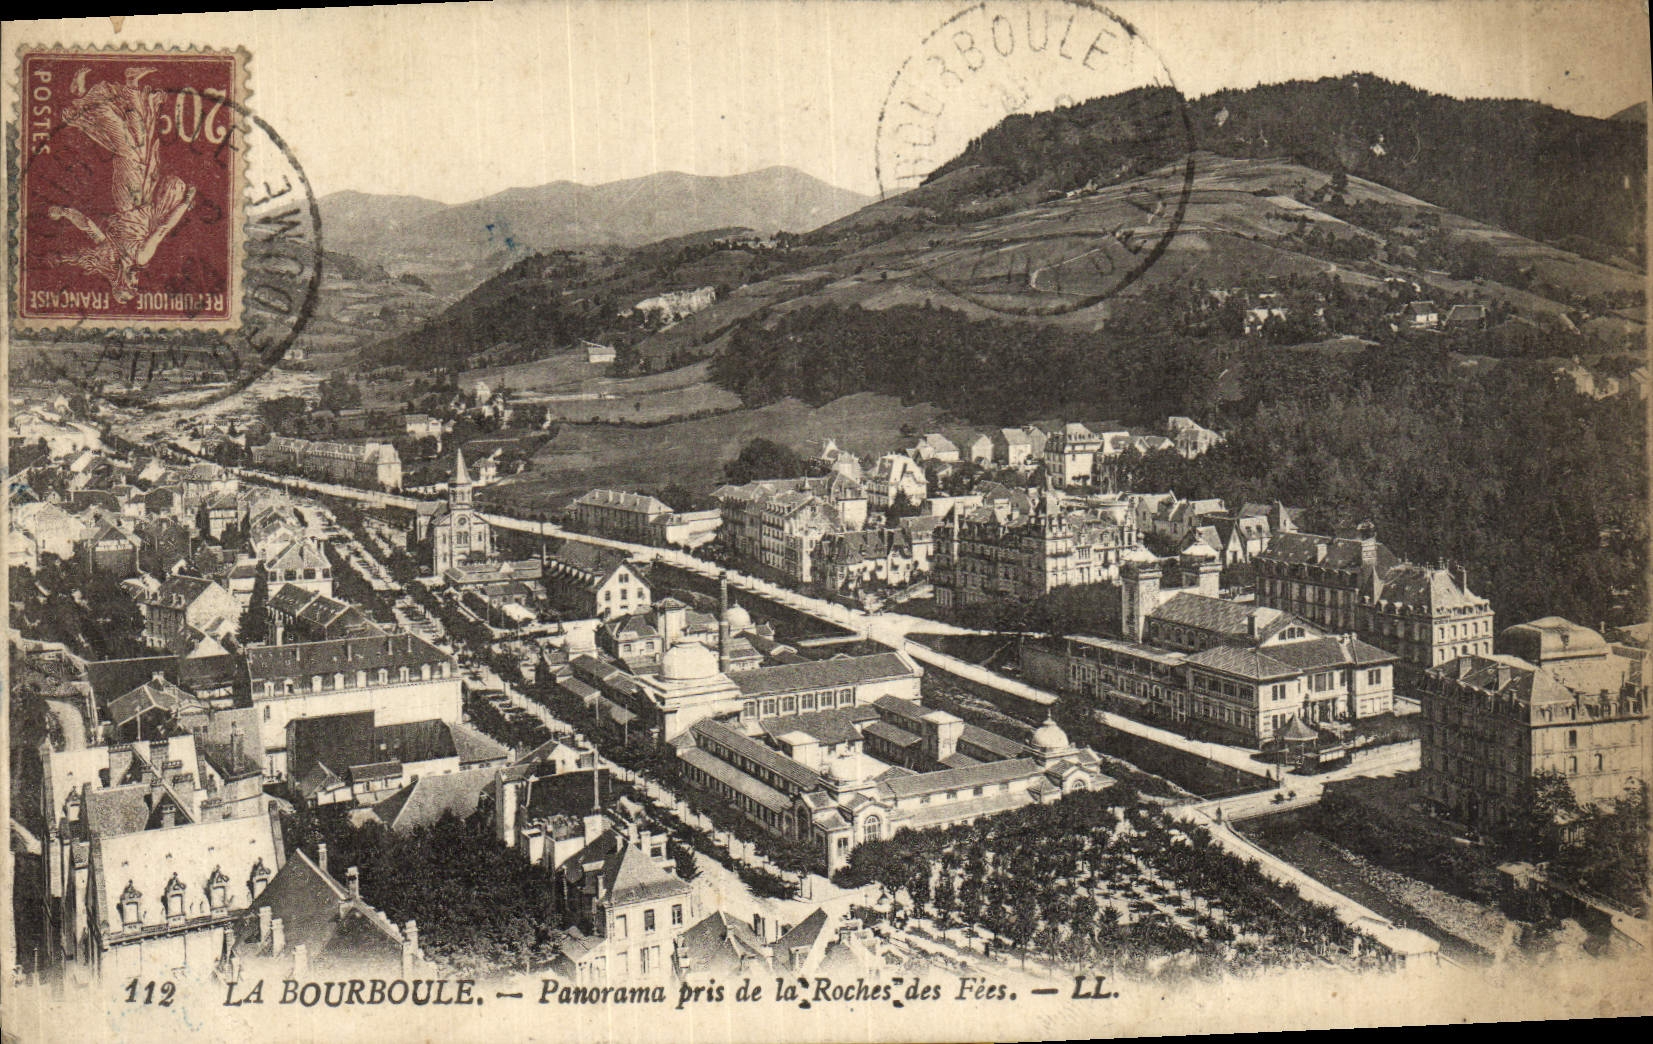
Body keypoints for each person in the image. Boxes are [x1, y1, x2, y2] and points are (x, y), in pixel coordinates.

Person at [47, 66, 197, 302]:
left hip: (131, 198)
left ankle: (84, 102)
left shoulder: (127, 256)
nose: (136, 280)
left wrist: (186, 203)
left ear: (121, 282)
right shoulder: (127, 257)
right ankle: (130, 84)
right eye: (136, 285)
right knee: (141, 138)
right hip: (144, 194)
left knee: (126, 147)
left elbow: (162, 229)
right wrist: (64, 213)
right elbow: (89, 226)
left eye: (132, 284)